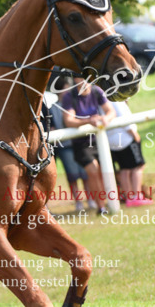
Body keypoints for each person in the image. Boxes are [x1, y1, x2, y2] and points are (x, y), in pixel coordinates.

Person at [60, 79, 116, 214]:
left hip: (99, 139)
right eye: (80, 78)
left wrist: (105, 119)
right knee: (93, 170)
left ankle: (111, 202)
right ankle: (100, 207)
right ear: (75, 80)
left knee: (105, 171)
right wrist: (88, 121)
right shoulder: (70, 96)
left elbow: (111, 111)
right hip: (81, 143)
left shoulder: (97, 91)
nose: (84, 81)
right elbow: (69, 121)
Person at [108, 101, 153, 205]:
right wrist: (134, 133)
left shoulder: (104, 98)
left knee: (124, 169)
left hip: (112, 140)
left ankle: (130, 197)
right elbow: (123, 118)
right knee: (137, 166)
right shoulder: (115, 99)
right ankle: (137, 196)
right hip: (125, 138)